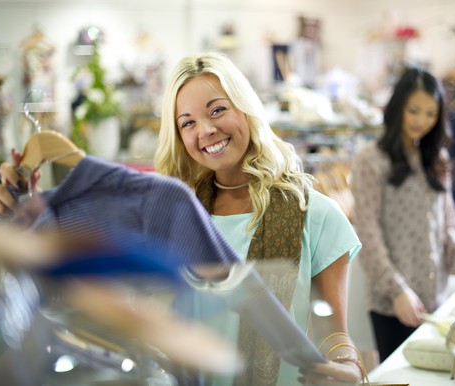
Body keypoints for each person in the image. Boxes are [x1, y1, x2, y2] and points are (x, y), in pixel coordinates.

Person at [154, 52, 363, 386]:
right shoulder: (176, 218)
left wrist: (348, 368)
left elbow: (333, 335)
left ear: (246, 108)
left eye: (217, 110)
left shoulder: (317, 216)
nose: (206, 130)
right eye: (188, 122)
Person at [351, 67, 455, 362]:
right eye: (413, 110)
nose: (421, 121)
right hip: (393, 303)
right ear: (398, 106)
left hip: (434, 297)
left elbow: (444, 229)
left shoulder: (437, 160)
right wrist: (397, 289)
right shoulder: (370, 160)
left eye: (430, 113)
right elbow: (367, 233)